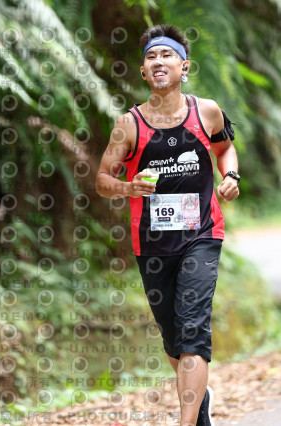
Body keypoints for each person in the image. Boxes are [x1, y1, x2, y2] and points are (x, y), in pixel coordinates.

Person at [95, 25, 240, 426]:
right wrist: (128, 187)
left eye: (167, 55)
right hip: (153, 243)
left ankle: (186, 422)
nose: (158, 62)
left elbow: (225, 148)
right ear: (143, 72)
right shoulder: (129, 124)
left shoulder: (206, 112)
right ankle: (200, 398)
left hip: (202, 234)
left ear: (184, 66)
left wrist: (231, 176)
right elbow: (102, 181)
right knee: (174, 340)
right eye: (151, 57)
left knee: (193, 329)